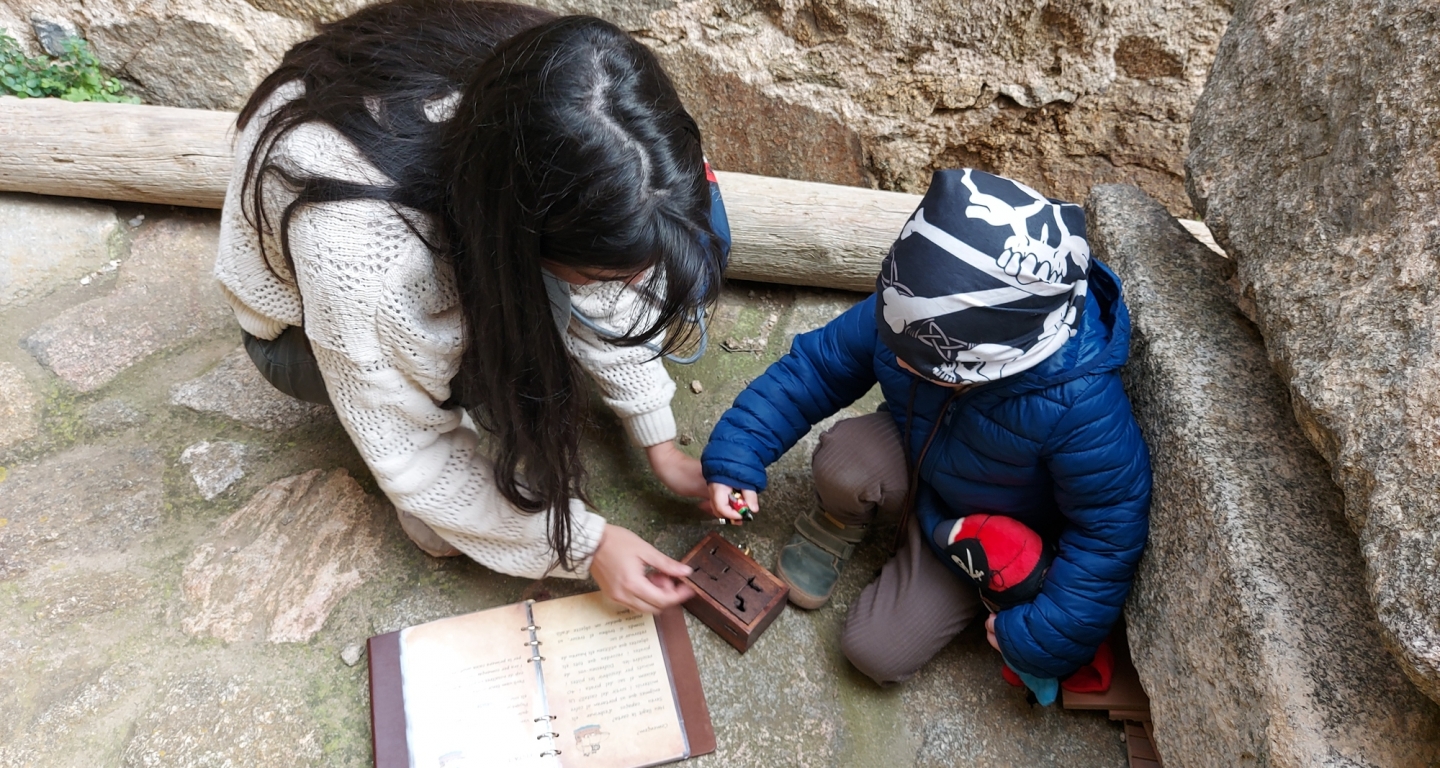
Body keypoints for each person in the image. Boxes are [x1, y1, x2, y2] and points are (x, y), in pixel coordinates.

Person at [214, 0, 731, 615]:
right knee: (492, 380)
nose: (622, 288)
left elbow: (606, 287)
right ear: (517, 236)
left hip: (461, 228)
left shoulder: (560, 86)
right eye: (598, 269)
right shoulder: (366, 257)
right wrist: (585, 545)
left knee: (640, 262)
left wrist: (659, 442)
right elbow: (407, 446)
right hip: (295, 336)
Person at [701, 169, 1151, 685]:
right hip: (916, 442)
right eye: (894, 338)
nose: (898, 356)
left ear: (993, 358)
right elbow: (818, 367)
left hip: (982, 532)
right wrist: (739, 449)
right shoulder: (910, 309)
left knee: (875, 653)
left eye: (924, 358)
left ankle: (929, 554)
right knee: (844, 463)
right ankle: (843, 521)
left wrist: (1043, 636)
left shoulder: (1080, 405)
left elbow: (1109, 531)